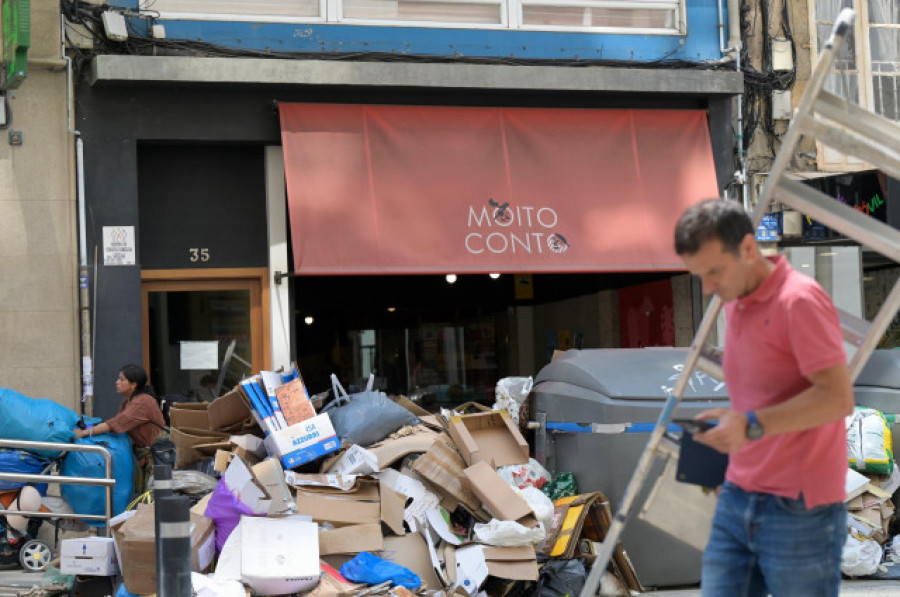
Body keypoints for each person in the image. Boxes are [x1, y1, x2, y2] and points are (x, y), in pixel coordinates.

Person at [673, 199, 854, 597]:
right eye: (698, 276)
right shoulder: (736, 301)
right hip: (738, 492)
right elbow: (765, 394)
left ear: (750, 249)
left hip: (799, 507)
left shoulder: (799, 301)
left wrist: (752, 423)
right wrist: (731, 422)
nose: (708, 289)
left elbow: (838, 398)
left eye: (714, 272)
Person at [72, 364, 167, 495]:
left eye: (121, 379)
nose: (117, 382)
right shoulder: (127, 403)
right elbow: (112, 423)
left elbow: (115, 424)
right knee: (146, 494)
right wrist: (89, 426)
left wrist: (84, 432)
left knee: (155, 495)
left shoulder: (142, 402)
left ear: (133, 385)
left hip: (160, 455)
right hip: (146, 454)